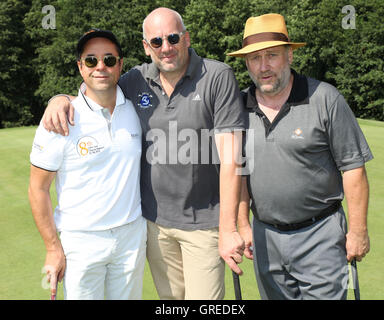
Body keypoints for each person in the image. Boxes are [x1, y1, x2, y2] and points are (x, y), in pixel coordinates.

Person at [40, 7, 245, 300]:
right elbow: (98, 88)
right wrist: (59, 99)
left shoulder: (217, 76)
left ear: (186, 38)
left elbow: (232, 159)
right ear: (146, 47)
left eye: (173, 38)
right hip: (154, 225)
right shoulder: (135, 80)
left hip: (204, 224)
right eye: (157, 42)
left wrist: (229, 229)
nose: (167, 48)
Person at [228, 13, 373, 300]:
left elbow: (353, 168)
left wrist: (358, 232)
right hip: (265, 238)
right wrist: (243, 224)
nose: (263, 66)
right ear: (246, 63)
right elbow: (238, 172)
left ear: (290, 55)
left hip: (320, 234)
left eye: (272, 55)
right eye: (255, 58)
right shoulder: (237, 107)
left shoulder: (325, 99)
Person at [28, 29, 146, 300]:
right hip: (81, 242)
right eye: (91, 61)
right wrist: (52, 248)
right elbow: (38, 189)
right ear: (81, 67)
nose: (100, 67)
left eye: (109, 59)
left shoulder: (137, 109)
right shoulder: (59, 119)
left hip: (131, 238)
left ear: (121, 64)